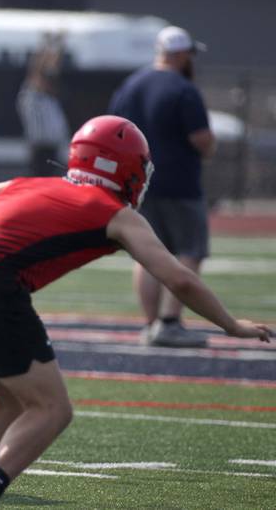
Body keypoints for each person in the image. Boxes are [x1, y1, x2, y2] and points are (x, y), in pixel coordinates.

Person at [0, 115, 273, 509]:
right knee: (52, 410)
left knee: (10, 398)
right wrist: (230, 324)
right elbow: (179, 279)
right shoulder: (118, 214)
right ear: (124, 168)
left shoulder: (30, 184)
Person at [109, 26, 216, 348]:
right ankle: (169, 321)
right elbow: (202, 139)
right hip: (180, 183)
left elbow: (113, 130)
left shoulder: (131, 85)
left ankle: (150, 323)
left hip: (139, 184)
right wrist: (211, 149)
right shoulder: (184, 89)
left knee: (147, 255)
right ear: (182, 53)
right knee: (190, 250)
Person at [16, 31, 70, 177]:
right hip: (41, 148)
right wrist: (46, 44)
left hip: (53, 148)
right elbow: (37, 70)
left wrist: (59, 46)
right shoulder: (31, 97)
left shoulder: (48, 99)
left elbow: (52, 69)